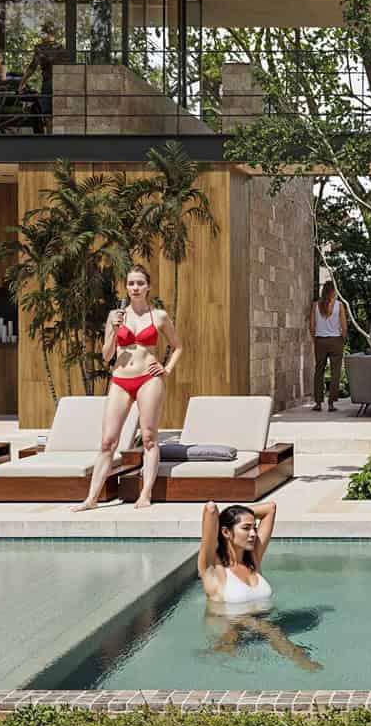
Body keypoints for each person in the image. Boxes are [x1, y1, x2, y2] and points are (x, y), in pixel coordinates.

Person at [76, 264, 181, 511]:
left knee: (149, 437)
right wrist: (113, 330)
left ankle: (145, 494)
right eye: (131, 283)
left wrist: (166, 369)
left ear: (148, 287)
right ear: (126, 286)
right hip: (120, 380)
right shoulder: (115, 316)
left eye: (140, 283)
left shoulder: (160, 316)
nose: (135, 288)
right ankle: (91, 499)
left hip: (148, 379)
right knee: (107, 442)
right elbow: (106, 355)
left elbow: (178, 346)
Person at [198, 499, 319, 671]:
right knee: (270, 631)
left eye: (254, 527)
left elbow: (270, 508)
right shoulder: (212, 568)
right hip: (229, 634)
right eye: (246, 528)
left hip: (261, 627)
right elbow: (210, 509)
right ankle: (307, 666)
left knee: (268, 629)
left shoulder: (253, 559)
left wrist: (238, 518)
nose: (254, 533)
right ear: (225, 531)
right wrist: (228, 518)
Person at [309, 276, 349, 411]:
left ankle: (318, 403)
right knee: (335, 372)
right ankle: (331, 403)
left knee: (319, 371)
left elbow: (312, 326)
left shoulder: (315, 305)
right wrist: (342, 339)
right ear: (333, 291)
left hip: (320, 340)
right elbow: (344, 326)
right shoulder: (339, 305)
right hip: (336, 340)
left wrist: (315, 340)